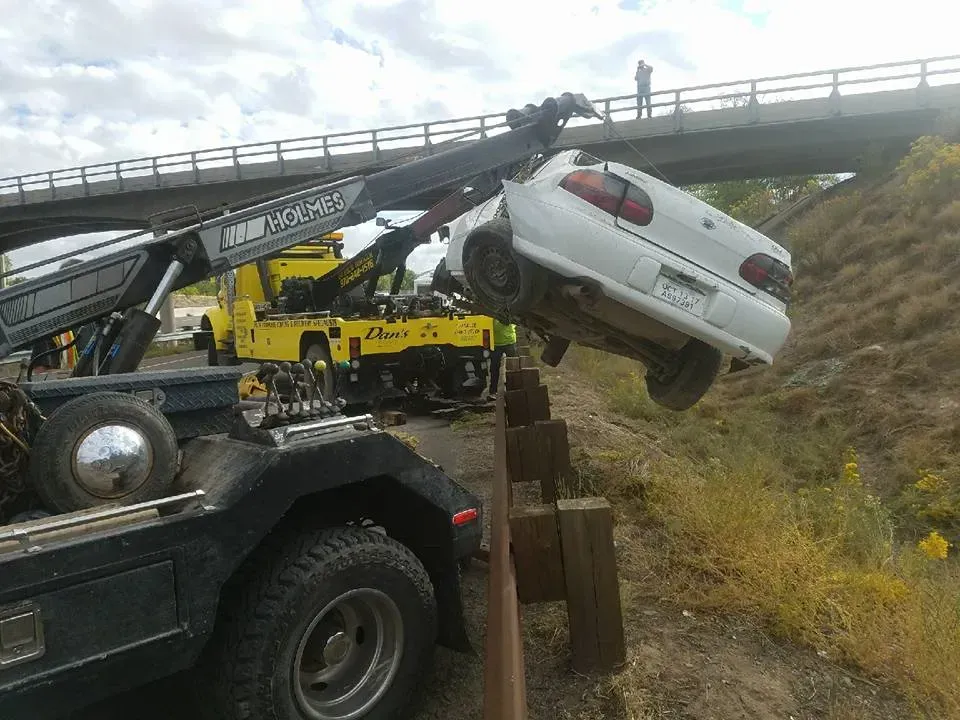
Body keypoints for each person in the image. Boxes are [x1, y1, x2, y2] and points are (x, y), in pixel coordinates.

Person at [488, 318, 518, 398]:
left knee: (512, 367)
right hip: (498, 343)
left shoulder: (508, 309)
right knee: (495, 368)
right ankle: (494, 391)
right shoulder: (493, 309)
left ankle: (511, 389)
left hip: (508, 342)